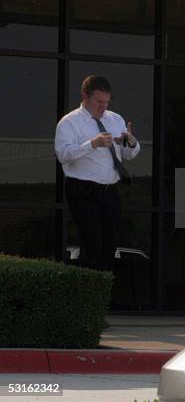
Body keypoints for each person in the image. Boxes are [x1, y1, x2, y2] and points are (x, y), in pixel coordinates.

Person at [55, 75, 140, 271]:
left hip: (109, 190)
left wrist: (130, 141)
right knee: (93, 240)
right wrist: (92, 144)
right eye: (98, 102)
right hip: (82, 189)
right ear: (85, 96)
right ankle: (90, 289)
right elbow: (63, 154)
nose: (103, 107)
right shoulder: (70, 123)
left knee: (110, 242)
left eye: (106, 102)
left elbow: (129, 154)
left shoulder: (115, 119)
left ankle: (103, 289)